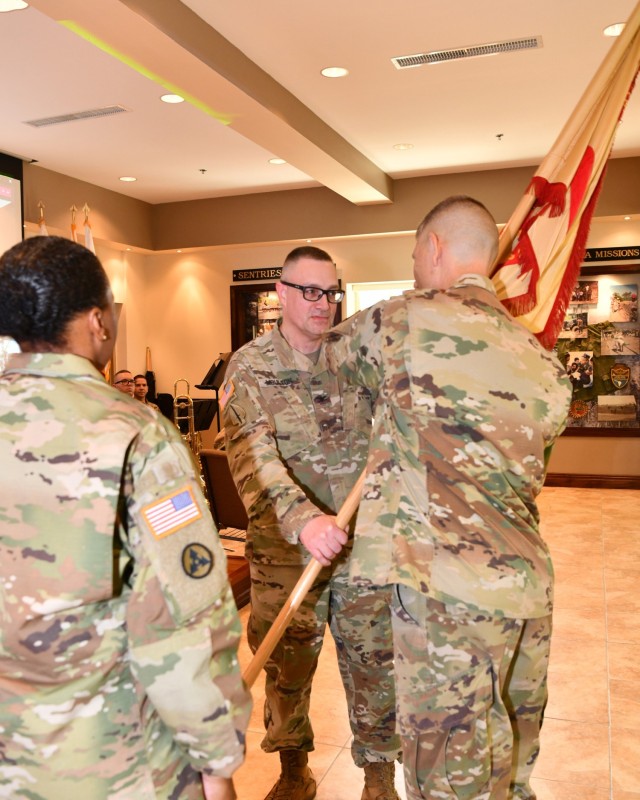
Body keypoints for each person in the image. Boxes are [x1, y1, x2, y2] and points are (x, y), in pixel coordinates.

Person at [327, 196, 572, 800]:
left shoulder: (403, 321)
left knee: (448, 778)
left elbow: (327, 353)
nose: (414, 267)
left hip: (446, 598)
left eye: (415, 253)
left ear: (434, 247)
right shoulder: (544, 364)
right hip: (526, 592)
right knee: (510, 767)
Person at [0, 236, 251, 800]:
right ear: (98, 321)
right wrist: (216, 760)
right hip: (112, 760)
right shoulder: (136, 434)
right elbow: (182, 616)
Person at [221, 246, 401, 800]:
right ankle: (294, 771)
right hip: (285, 552)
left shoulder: (356, 360)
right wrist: (304, 521)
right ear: (281, 294)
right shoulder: (249, 368)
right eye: (310, 291)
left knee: (375, 663)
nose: (323, 304)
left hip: (360, 546)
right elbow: (253, 459)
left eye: (331, 292)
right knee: (285, 667)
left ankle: (377, 778)